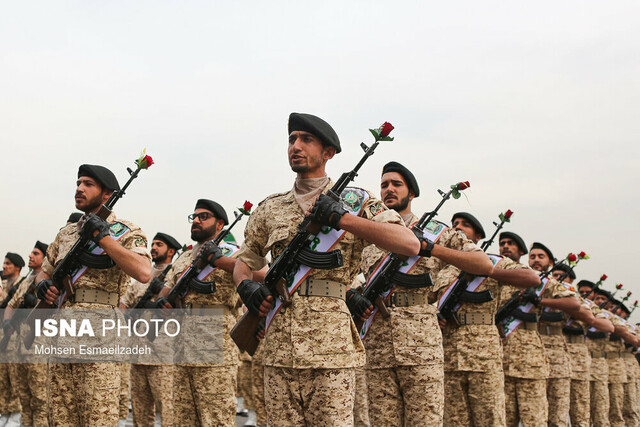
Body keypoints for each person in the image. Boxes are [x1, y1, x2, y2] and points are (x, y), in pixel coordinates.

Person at [232, 113, 422, 426]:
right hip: (277, 347)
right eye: (292, 139)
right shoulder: (270, 207)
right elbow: (246, 260)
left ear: (328, 153)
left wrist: (342, 219)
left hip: (331, 350)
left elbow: (408, 243)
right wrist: (245, 286)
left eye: (306, 139)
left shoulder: (355, 201)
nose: (296, 145)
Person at [358, 164, 493, 426]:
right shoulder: (369, 232)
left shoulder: (437, 233)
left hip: (421, 348)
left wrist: (432, 250)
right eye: (384, 184)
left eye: (396, 184)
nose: (389, 189)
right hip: (377, 348)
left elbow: (483, 264)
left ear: (412, 194)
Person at [37, 164, 151, 426]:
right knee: (61, 416)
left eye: (88, 184)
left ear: (107, 194)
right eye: (78, 182)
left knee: (98, 416)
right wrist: (42, 285)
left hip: (100, 336)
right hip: (62, 333)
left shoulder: (126, 231)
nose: (79, 188)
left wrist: (104, 239)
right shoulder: (66, 233)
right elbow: (46, 271)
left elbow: (144, 272)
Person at [438, 213, 540, 427]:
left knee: (490, 419)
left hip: (483, 356)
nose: (458, 227)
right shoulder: (441, 266)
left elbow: (532, 278)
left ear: (478, 236)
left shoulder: (492, 262)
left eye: (465, 225)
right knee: (454, 421)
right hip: (448, 356)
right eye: (454, 224)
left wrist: (486, 271)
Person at [156, 200, 247, 426]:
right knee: (183, 418)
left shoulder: (234, 253)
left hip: (216, 342)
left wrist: (218, 260)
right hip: (182, 345)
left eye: (203, 216)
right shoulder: (185, 258)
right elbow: (166, 293)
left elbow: (260, 274)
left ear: (220, 225)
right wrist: (163, 303)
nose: (196, 220)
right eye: (194, 217)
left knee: (216, 417)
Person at [497, 233, 580, 427]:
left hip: (530, 360)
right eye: (503, 244)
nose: (505, 247)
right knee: (503, 420)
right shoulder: (498, 277)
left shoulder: (540, 282)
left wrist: (540, 301)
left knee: (534, 419)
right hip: (500, 358)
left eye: (511, 244)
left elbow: (574, 303)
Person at [119, 232, 181, 427]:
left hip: (163, 355)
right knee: (140, 411)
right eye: (152, 244)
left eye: (159, 244)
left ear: (171, 251)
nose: (153, 248)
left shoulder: (176, 276)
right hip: (137, 353)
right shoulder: (141, 277)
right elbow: (123, 306)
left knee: (167, 409)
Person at [3, 242, 48, 427]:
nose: (31, 255)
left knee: (40, 399)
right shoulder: (26, 282)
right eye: (31, 252)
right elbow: (11, 305)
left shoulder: (48, 280)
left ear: (45, 258)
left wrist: (35, 301)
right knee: (25, 397)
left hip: (38, 348)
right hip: (21, 348)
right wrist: (7, 321)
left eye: (36, 253)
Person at [0, 253, 24, 426]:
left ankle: (15, 417)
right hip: (3, 341)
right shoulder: (5, 286)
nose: (4, 266)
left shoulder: (22, 285)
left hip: (15, 340)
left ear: (17, 267)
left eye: (8, 264)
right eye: (4, 263)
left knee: (15, 380)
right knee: (3, 381)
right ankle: (5, 413)